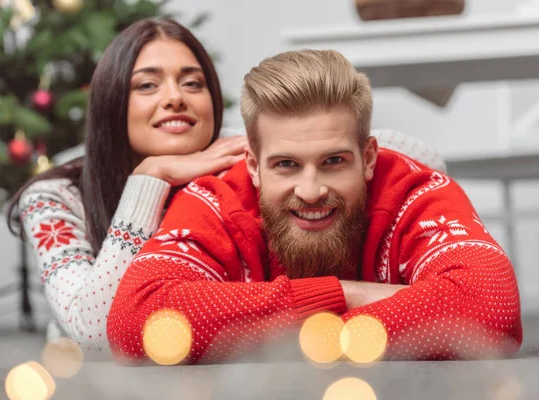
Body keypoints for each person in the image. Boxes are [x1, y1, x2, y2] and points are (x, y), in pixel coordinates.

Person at [107, 49, 523, 363]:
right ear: (253, 165)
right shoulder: (215, 199)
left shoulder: (417, 191)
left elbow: (491, 308)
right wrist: (346, 294)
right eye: (286, 165)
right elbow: (135, 319)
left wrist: (274, 330)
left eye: (333, 161)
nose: (310, 190)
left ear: (369, 158)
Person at [7, 19, 247, 355]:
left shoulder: (243, 165)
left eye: (193, 83)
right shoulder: (53, 197)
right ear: (112, 102)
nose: (176, 97)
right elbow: (93, 336)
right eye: (147, 85)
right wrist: (151, 178)